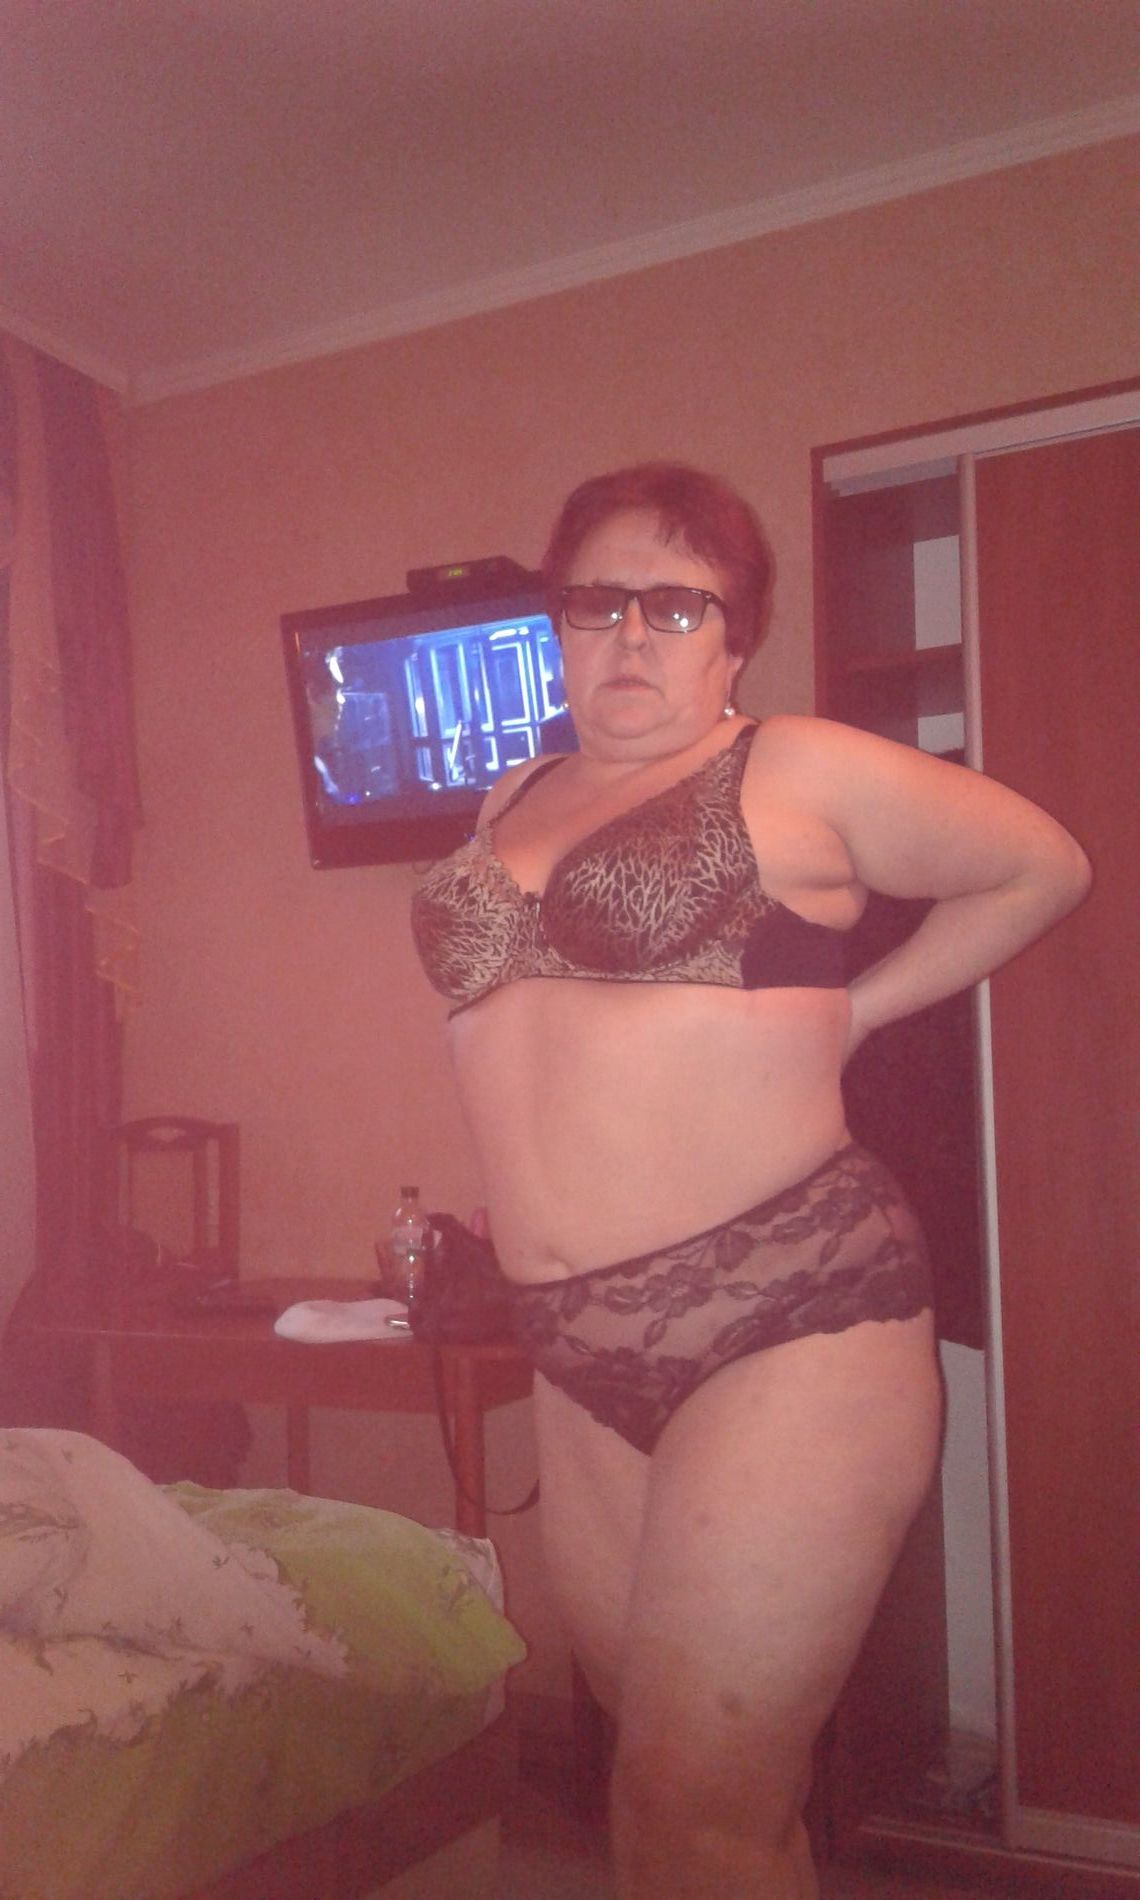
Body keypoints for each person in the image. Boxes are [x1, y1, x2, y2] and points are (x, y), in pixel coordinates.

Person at [410, 463, 1090, 1899]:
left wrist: (860, 1011)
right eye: (598, 601)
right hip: (573, 1348)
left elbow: (1042, 867)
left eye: (677, 605)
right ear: (558, 622)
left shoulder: (795, 766)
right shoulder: (511, 792)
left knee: (690, 1810)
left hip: (786, 1317)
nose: (631, 634)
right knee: (675, 1807)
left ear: (736, 638)